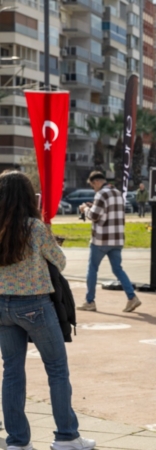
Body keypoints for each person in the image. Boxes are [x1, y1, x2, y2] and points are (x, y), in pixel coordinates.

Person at [0, 170, 96, 450]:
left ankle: (18, 442)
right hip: (34, 305)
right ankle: (67, 436)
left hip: (2, 306)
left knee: (12, 371)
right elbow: (60, 262)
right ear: (28, 197)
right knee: (56, 369)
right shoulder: (35, 228)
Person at [77, 171, 141, 313]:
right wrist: (93, 206)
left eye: (92, 186)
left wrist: (85, 209)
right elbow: (108, 211)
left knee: (92, 269)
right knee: (118, 269)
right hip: (117, 238)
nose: (93, 189)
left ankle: (89, 301)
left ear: (96, 182)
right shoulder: (117, 193)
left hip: (101, 239)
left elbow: (94, 216)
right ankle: (132, 297)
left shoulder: (101, 194)